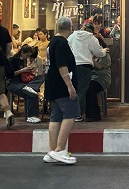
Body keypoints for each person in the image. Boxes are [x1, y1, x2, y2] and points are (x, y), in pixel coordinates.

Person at [43, 16, 80, 164]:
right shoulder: (61, 43)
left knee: (56, 116)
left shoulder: (52, 42)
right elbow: (62, 65)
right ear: (70, 28)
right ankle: (59, 150)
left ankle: (51, 151)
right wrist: (69, 85)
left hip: (52, 84)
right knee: (71, 113)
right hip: (61, 85)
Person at [68, 22, 107, 120]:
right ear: (91, 32)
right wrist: (104, 50)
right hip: (85, 67)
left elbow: (67, 48)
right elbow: (99, 53)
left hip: (73, 66)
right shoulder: (91, 38)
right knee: (82, 90)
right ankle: (78, 114)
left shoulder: (72, 36)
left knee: (73, 89)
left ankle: (71, 112)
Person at [6, 44, 43, 123]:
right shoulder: (12, 60)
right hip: (12, 82)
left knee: (41, 77)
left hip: (23, 81)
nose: (27, 58)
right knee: (31, 93)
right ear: (22, 53)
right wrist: (23, 70)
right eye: (27, 55)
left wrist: (30, 72)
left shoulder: (24, 61)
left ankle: (31, 87)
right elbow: (10, 75)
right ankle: (31, 116)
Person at [85, 49, 111, 121]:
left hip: (101, 79)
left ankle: (93, 114)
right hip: (89, 78)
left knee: (90, 88)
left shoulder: (105, 55)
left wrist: (89, 58)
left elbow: (99, 67)